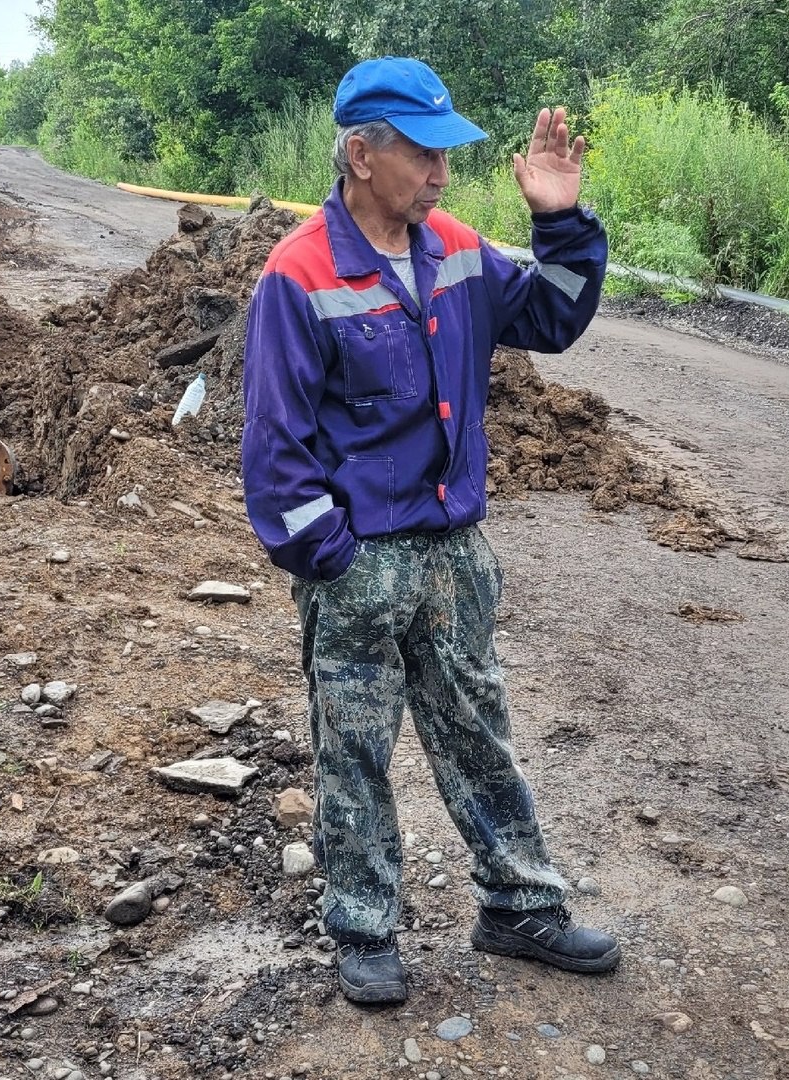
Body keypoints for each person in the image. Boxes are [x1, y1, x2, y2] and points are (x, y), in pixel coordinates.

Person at [240, 56, 619, 1004]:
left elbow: (555, 316)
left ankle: (519, 907)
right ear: (362, 156)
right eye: (422, 154)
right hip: (360, 562)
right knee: (354, 749)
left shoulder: (453, 248)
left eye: (447, 155)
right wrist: (335, 557)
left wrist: (561, 222)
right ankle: (364, 927)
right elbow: (274, 454)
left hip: (455, 554)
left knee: (477, 729)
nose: (442, 174)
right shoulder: (299, 274)